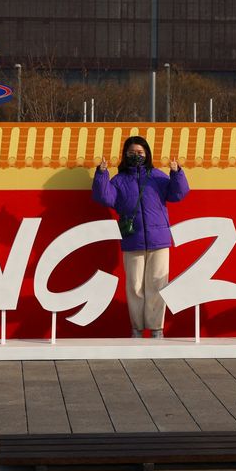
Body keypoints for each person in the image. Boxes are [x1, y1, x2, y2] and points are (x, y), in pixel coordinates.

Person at [93, 135, 189, 338]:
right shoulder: (119, 180)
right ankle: (136, 328)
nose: (136, 155)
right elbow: (104, 197)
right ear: (125, 155)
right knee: (135, 286)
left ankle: (156, 329)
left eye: (139, 152)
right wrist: (101, 174)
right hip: (132, 240)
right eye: (131, 153)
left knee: (158, 284)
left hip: (159, 239)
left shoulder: (157, 176)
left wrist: (176, 173)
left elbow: (178, 194)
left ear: (147, 154)